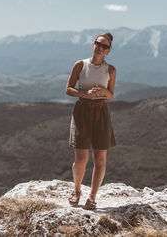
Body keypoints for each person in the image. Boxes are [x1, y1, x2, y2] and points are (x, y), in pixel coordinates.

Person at [65, 32, 117, 210]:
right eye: (98, 44)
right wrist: (84, 93)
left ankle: (92, 197)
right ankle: (77, 190)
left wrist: (103, 92)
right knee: (81, 158)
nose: (101, 48)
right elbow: (68, 89)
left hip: (100, 112)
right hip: (82, 111)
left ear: (109, 51)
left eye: (105, 46)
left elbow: (110, 95)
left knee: (100, 157)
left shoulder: (110, 70)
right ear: (92, 44)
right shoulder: (80, 65)